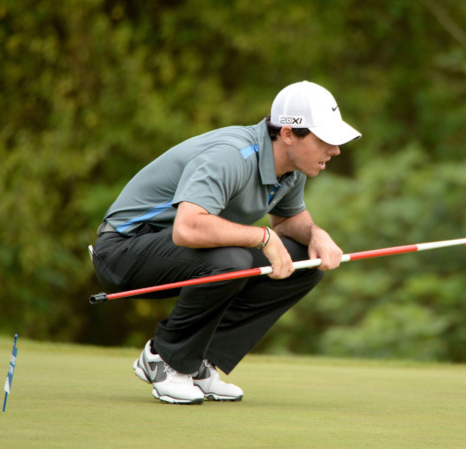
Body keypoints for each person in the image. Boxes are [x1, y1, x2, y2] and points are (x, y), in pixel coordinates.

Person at [91, 81, 361, 404]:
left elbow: (289, 221)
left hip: (176, 252)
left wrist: (318, 235)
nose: (335, 150)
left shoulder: (292, 168)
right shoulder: (233, 156)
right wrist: (263, 236)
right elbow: (187, 229)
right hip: (123, 249)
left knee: (304, 262)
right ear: (288, 134)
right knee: (233, 259)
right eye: (325, 140)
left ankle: (197, 360)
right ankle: (164, 358)